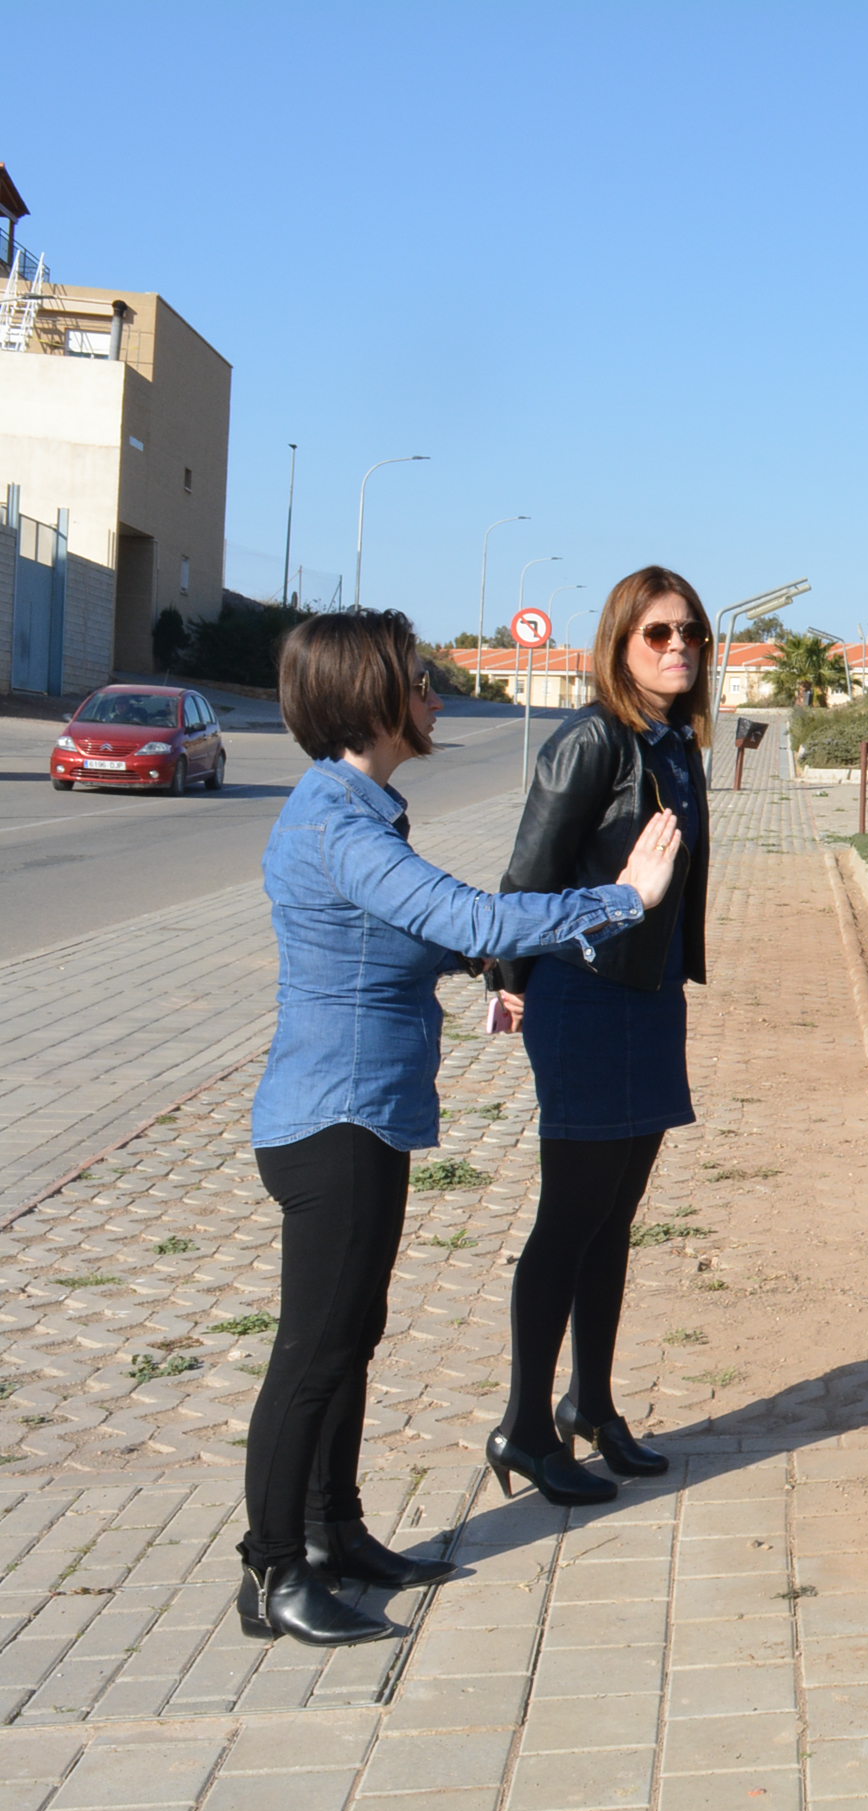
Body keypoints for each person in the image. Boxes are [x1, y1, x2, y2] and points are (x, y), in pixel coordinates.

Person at [246, 610, 679, 1647]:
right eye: (418, 679)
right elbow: (475, 915)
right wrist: (622, 898)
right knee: (312, 1355)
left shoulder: (358, 813)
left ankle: (335, 1533)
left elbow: (412, 938)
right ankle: (272, 1573)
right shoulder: (338, 825)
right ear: (371, 698)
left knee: (352, 1338)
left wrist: (479, 968)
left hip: (364, 1116)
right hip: (334, 1121)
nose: (435, 694)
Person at [483, 566, 716, 1505]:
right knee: (570, 1218)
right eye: (658, 633)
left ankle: (592, 1404)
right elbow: (528, 876)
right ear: (620, 644)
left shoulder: (677, 744)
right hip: (582, 999)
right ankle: (525, 1426)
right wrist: (511, 986)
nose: (678, 646)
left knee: (615, 1217)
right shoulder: (591, 741)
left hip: (649, 999)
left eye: (691, 632)